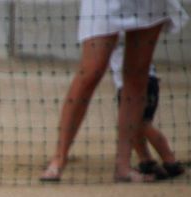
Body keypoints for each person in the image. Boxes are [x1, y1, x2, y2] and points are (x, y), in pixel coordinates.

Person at [40, 0, 188, 183]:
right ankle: (59, 159)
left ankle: (123, 166)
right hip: (106, 4)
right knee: (91, 71)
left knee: (137, 75)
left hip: (149, 5)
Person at [109, 42, 186, 179]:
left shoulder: (120, 32)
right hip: (131, 84)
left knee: (142, 124)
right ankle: (146, 161)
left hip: (141, 82)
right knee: (133, 126)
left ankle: (170, 161)